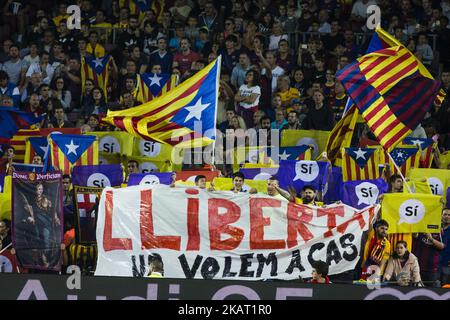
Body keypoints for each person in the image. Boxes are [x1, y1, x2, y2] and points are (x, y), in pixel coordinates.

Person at [20, 182, 61, 268]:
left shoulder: (46, 199)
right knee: (37, 242)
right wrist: (29, 217)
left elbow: (53, 210)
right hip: (36, 223)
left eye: (41, 189)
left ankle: (47, 259)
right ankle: (40, 260)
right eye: (38, 189)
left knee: (46, 241)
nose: (40, 191)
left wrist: (56, 218)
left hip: (46, 223)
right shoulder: (31, 199)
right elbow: (28, 210)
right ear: (35, 190)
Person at [441, 208, 450, 285]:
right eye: (445, 214)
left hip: (447, 264)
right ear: (441, 216)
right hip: (435, 264)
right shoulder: (436, 228)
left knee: (445, 288)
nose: (447, 216)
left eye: (449, 215)